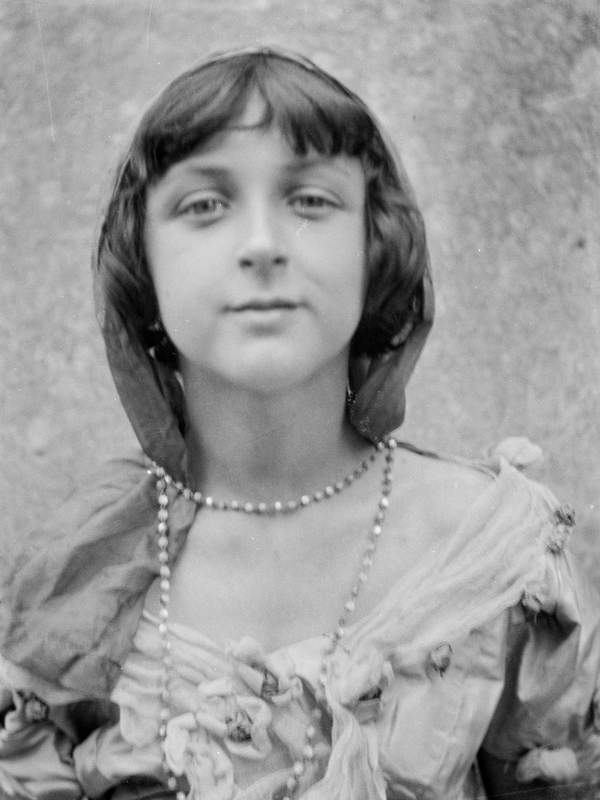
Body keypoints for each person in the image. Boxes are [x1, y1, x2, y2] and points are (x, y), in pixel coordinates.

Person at [0, 47, 598, 800]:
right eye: (204, 205)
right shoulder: (83, 570)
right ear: (142, 263)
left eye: (311, 200)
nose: (261, 245)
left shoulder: (491, 553)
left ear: (375, 246)